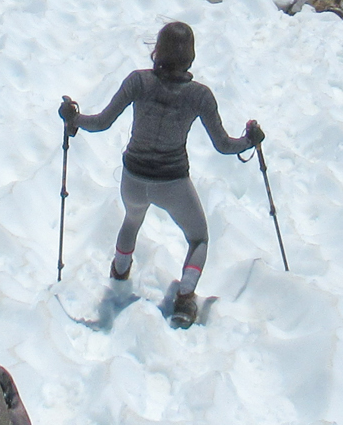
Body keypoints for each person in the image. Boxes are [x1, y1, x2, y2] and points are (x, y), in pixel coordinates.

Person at [59, 20, 261, 324]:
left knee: (132, 219)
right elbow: (223, 145)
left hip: (134, 177)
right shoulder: (199, 95)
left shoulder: (137, 82)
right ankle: (184, 300)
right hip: (173, 182)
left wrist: (74, 119)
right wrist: (250, 140)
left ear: (157, 51)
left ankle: (120, 271)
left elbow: (101, 122)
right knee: (199, 239)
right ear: (191, 57)